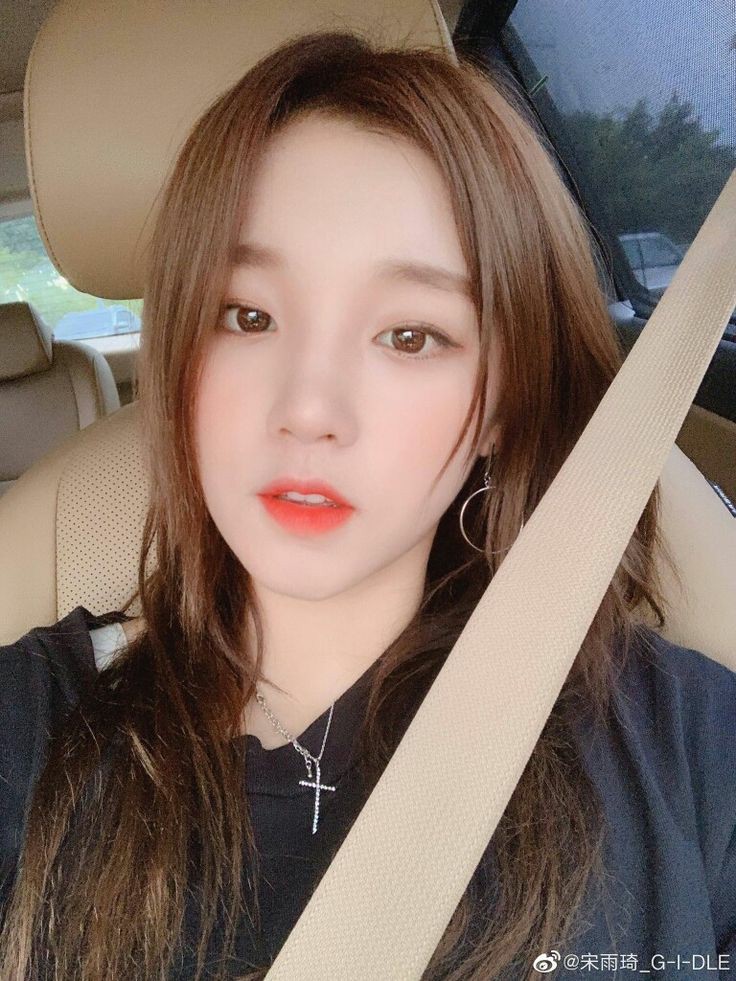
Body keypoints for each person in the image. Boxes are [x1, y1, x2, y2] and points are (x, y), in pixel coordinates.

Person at [0, 30, 734, 981]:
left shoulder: (684, 744)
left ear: (502, 405)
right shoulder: (33, 723)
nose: (309, 409)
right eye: (249, 315)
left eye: (411, 335)